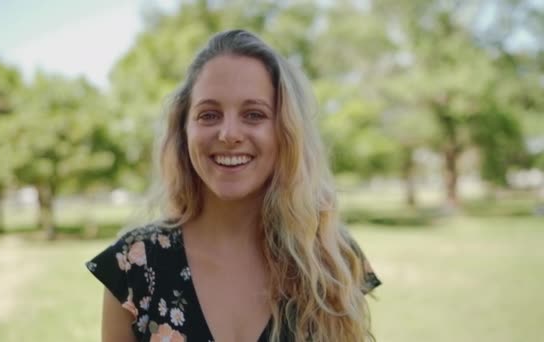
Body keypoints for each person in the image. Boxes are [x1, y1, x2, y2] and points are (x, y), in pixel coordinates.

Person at [86, 29, 381, 342]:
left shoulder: (331, 256)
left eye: (254, 115)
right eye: (209, 114)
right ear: (184, 130)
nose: (228, 133)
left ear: (287, 131)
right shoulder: (134, 264)